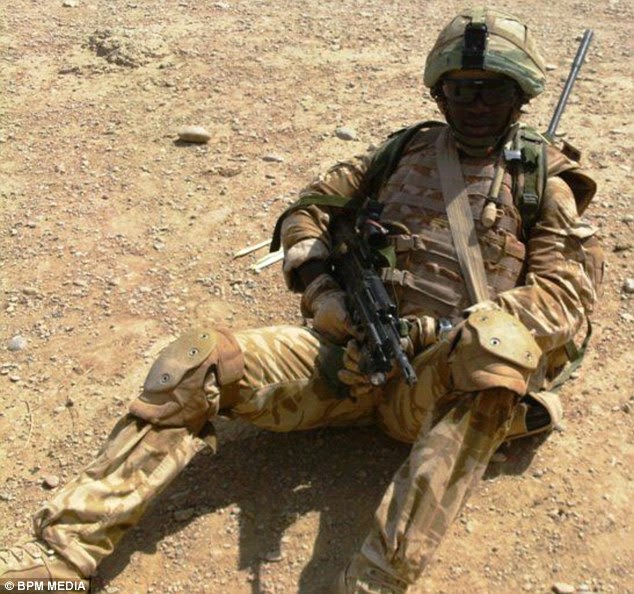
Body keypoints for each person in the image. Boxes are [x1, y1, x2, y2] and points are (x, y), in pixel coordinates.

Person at [0, 7, 603, 594]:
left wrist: (437, 332)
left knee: (497, 353)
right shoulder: (402, 154)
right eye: (461, 89)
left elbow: (565, 298)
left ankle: (374, 582)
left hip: (434, 387)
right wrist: (322, 292)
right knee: (198, 356)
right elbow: (307, 210)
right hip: (345, 359)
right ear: (439, 94)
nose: (476, 105)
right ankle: (63, 554)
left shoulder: (541, 184)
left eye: (493, 91)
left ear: (520, 97)